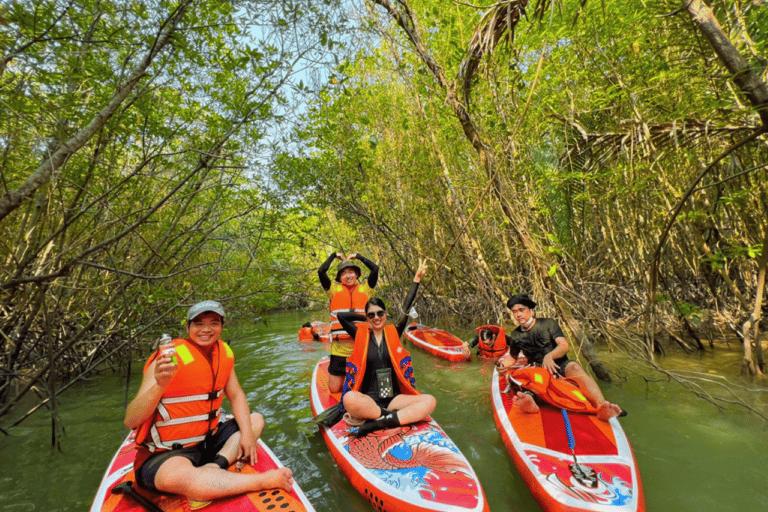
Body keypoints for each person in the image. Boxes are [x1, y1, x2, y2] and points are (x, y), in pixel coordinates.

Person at [124, 301, 293, 501]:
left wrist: (247, 435)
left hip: (206, 443)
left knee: (255, 420)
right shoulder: (167, 359)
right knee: (184, 478)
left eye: (214, 323)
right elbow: (131, 421)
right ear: (188, 328)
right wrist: (159, 385)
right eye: (198, 323)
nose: (206, 329)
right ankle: (263, 481)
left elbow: (237, 395)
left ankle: (215, 466)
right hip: (167, 454)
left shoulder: (223, 354)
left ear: (221, 326)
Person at [337, 259, 435, 437]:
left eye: (380, 313)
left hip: (394, 399)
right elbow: (342, 317)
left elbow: (405, 308)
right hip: (369, 401)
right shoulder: (360, 334)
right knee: (349, 399)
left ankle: (376, 424)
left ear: (385, 314)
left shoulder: (394, 332)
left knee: (430, 401)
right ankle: (390, 418)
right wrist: (363, 315)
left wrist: (416, 280)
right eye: (372, 315)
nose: (376, 317)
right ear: (367, 317)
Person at [498, 294, 623, 421]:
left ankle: (601, 406)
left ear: (531, 311)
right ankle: (531, 401)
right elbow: (513, 357)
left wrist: (549, 356)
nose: (518, 315)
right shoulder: (515, 335)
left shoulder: (548, 323)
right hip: (537, 369)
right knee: (533, 379)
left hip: (560, 364)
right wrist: (502, 365)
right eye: (514, 312)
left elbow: (564, 346)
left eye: (521, 310)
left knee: (574, 367)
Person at [318, 251, 379, 393]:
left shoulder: (366, 289)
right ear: (339, 277)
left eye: (351, 272)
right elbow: (321, 271)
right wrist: (333, 255)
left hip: (361, 345)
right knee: (334, 389)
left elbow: (375, 269)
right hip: (339, 349)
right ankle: (347, 378)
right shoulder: (333, 290)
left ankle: (356, 383)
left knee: (355, 388)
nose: (348, 276)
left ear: (356, 275)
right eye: (343, 273)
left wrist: (358, 256)